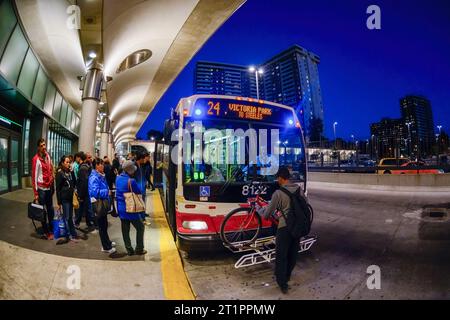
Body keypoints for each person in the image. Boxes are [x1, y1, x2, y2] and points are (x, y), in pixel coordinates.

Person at [257, 166, 303, 294]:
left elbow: (266, 214)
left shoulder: (278, 193)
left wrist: (258, 209)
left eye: (278, 178)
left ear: (281, 178)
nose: (277, 180)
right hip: (297, 227)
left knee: (281, 256)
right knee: (293, 254)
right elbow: (305, 205)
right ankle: (287, 276)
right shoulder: (299, 190)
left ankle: (282, 283)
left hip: (284, 228)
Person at [115, 160, 146, 256]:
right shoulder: (131, 181)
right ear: (130, 170)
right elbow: (138, 192)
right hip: (130, 208)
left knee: (125, 230)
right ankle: (139, 249)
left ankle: (129, 250)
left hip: (121, 209)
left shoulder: (118, 178)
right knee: (140, 227)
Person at [89, 157, 116, 254]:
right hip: (98, 205)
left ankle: (107, 242)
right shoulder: (94, 177)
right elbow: (94, 192)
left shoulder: (100, 175)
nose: (103, 166)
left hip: (102, 204)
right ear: (96, 166)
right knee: (102, 226)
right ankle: (106, 247)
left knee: (104, 225)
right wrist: (106, 192)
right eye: (101, 164)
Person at [31, 138, 55, 240]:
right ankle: (46, 231)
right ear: (38, 147)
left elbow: (50, 169)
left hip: (49, 188)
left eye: (44, 145)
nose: (44, 147)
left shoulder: (48, 156)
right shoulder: (36, 159)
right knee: (42, 211)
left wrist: (52, 181)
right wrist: (36, 193)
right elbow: (34, 177)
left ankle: (51, 227)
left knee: (50, 209)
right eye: (41, 146)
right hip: (41, 189)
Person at [55, 155, 78, 243]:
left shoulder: (69, 172)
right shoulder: (60, 173)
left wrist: (72, 172)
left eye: (69, 162)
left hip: (70, 198)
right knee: (67, 217)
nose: (69, 164)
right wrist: (58, 202)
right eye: (67, 162)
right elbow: (58, 188)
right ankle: (68, 235)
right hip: (64, 198)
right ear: (62, 163)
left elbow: (74, 183)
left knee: (70, 217)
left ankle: (73, 234)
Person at [75, 152, 96, 230]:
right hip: (85, 192)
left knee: (84, 208)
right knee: (85, 208)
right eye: (89, 157)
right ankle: (87, 222)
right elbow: (83, 181)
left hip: (85, 192)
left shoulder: (84, 167)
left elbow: (83, 182)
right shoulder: (85, 167)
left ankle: (82, 222)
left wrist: (81, 194)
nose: (90, 159)